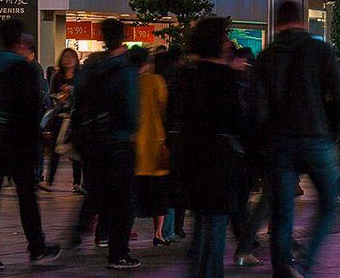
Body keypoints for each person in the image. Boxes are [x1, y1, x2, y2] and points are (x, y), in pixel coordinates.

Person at [256, 0, 340, 278]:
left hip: (279, 142)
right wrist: (332, 132)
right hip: (315, 137)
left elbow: (257, 108)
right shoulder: (320, 50)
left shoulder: (266, 56)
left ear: (276, 24)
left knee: (282, 211)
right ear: (302, 21)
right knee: (328, 203)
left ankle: (282, 268)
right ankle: (306, 264)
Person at [0, 18, 61, 270]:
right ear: (19, 40)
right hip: (17, 144)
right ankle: (36, 247)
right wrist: (34, 148)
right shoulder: (24, 68)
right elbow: (30, 112)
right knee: (26, 197)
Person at [168, 18, 247, 278]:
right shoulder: (224, 77)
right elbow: (236, 119)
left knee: (202, 221)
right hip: (218, 158)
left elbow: (174, 114)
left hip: (191, 155)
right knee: (215, 224)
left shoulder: (185, 75)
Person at [69, 18, 140, 268]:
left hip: (92, 141)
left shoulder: (91, 67)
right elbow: (131, 110)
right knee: (124, 201)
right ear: (124, 37)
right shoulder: (126, 68)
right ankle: (118, 253)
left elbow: (78, 98)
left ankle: (78, 230)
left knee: (97, 192)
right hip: (119, 142)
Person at [131, 47, 170, 245]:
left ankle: (124, 232)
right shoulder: (156, 81)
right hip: (154, 145)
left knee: (131, 194)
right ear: (147, 63)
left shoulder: (128, 82)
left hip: (132, 146)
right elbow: (164, 107)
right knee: (159, 195)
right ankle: (159, 234)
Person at [43, 47, 82, 192]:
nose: (68, 60)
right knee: (55, 150)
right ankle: (49, 181)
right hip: (59, 116)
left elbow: (82, 94)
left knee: (75, 151)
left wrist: (71, 92)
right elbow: (51, 95)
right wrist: (58, 97)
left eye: (71, 57)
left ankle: (77, 182)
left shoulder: (80, 76)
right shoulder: (57, 77)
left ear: (76, 60)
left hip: (74, 117)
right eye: (65, 57)